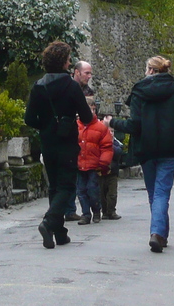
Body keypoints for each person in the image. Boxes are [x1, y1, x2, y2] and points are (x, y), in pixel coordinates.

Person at [104, 55, 174, 254]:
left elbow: (134, 125)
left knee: (154, 194)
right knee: (162, 192)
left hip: (146, 149)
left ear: (150, 70)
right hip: (170, 149)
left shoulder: (140, 92)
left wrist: (112, 122)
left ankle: (159, 234)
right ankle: (158, 233)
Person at [25, 41, 94, 249]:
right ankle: (48, 221)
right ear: (64, 63)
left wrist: (46, 125)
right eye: (68, 60)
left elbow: (29, 118)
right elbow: (86, 116)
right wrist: (68, 120)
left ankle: (60, 233)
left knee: (54, 185)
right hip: (67, 142)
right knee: (66, 185)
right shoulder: (71, 86)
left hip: (47, 141)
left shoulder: (39, 86)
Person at [64, 60, 95, 221]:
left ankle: (86, 210)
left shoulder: (89, 91)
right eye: (86, 73)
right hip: (70, 135)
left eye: (90, 73)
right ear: (77, 72)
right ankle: (69, 209)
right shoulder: (68, 87)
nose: (89, 76)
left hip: (86, 136)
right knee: (70, 174)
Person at [75, 97, 114, 224]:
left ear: (94, 110)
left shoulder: (100, 127)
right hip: (79, 164)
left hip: (94, 165)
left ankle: (96, 210)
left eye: (91, 109)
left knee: (92, 190)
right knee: (81, 191)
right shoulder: (76, 126)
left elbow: (107, 146)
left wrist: (103, 163)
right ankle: (86, 214)